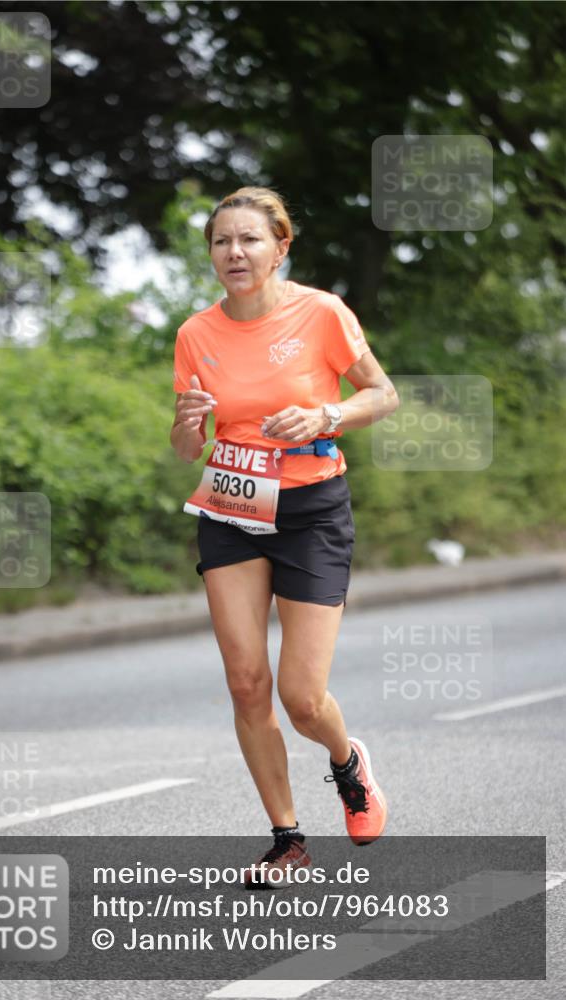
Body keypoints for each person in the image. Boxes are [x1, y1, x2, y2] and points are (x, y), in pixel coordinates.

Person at [170, 186, 399, 889]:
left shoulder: (321, 312)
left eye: (248, 240)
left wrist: (325, 415)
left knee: (302, 698)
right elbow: (186, 446)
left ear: (280, 246)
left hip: (311, 511)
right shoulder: (194, 334)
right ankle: (287, 838)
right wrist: (188, 423)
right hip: (232, 505)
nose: (233, 253)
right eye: (220, 242)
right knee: (245, 683)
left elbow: (380, 393)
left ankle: (345, 763)